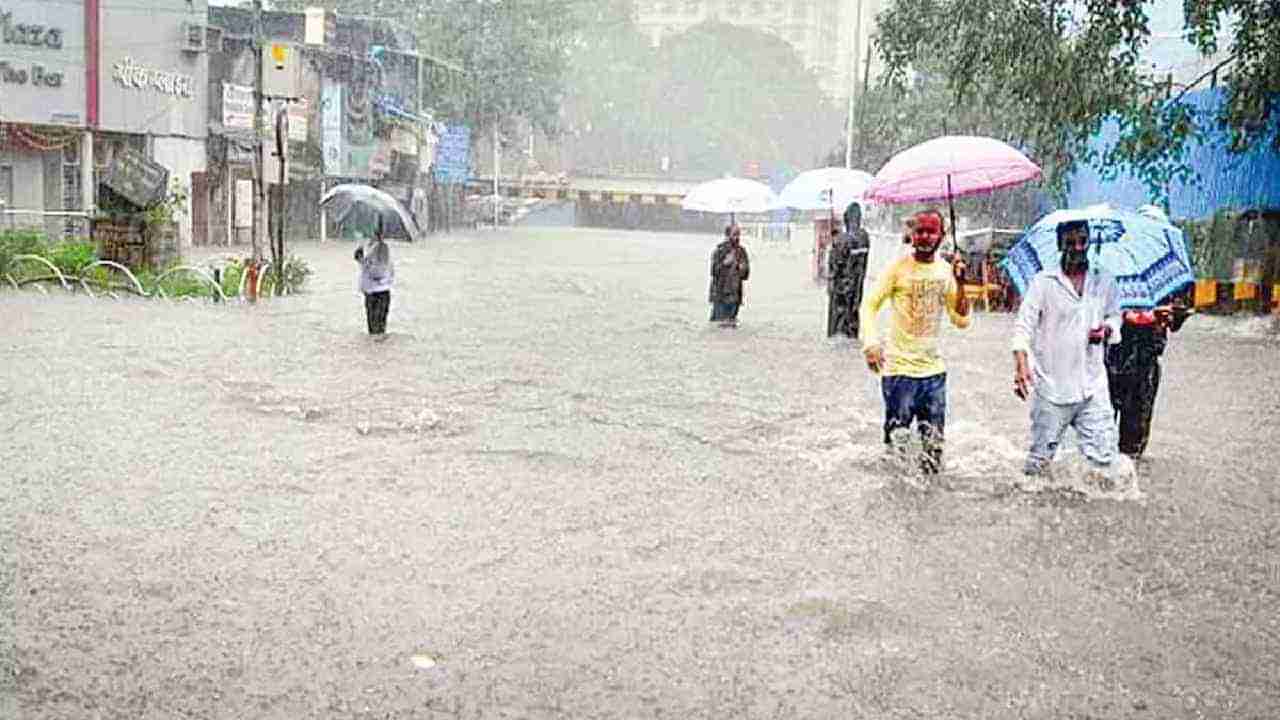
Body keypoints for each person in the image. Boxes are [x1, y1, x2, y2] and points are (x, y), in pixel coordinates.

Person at [860, 209, 971, 474]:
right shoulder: (897, 270)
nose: (924, 236)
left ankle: (930, 509)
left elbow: (962, 320)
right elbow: (869, 305)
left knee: (933, 451)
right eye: (919, 231)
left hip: (933, 373)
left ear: (941, 236)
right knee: (896, 447)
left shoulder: (946, 273)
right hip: (899, 371)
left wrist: (961, 283)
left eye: (931, 231)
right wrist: (871, 344)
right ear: (911, 235)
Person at [1011, 219, 1122, 476]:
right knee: (1038, 466)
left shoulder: (1104, 280)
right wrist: (1021, 366)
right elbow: (1022, 328)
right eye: (1071, 242)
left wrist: (1106, 330)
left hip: (1092, 386)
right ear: (1060, 245)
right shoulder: (1043, 282)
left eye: (1083, 241)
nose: (1078, 247)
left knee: (1105, 463)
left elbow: (1115, 316)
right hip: (1052, 388)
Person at [1106, 293, 1192, 459]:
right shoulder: (1104, 280)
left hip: (1146, 364)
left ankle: (1131, 472)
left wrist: (1167, 316)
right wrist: (1121, 316)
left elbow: (1178, 318)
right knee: (1100, 430)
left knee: (1134, 439)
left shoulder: (1164, 284)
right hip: (1111, 360)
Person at [827, 201, 871, 338]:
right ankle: (852, 336)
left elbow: (835, 266)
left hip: (841, 287)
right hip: (857, 285)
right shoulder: (865, 237)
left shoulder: (842, 239)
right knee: (853, 314)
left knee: (838, 322)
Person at [354, 218, 394, 336]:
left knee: (375, 330)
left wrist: (362, 261)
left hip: (377, 292)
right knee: (377, 330)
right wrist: (361, 259)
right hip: (376, 292)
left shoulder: (381, 248)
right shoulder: (372, 247)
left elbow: (376, 272)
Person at [709, 224, 750, 327]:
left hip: (735, 296)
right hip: (721, 295)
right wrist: (725, 263)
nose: (737, 237)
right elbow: (713, 271)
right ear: (727, 235)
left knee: (732, 326)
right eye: (735, 234)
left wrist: (743, 269)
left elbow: (745, 276)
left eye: (739, 235)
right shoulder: (719, 251)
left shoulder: (741, 252)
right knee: (718, 326)